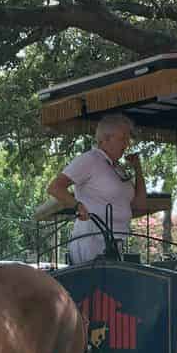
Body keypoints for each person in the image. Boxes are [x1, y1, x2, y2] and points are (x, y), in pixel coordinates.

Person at [47, 113, 148, 264]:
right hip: (91, 242)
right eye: (123, 138)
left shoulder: (118, 169)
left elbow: (140, 203)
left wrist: (138, 169)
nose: (127, 144)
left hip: (116, 243)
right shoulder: (90, 159)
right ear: (105, 139)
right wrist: (77, 205)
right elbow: (55, 187)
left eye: (128, 139)